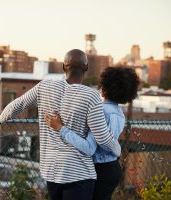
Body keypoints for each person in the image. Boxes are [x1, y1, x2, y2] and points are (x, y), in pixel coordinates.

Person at [0, 49, 121, 200]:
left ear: (63, 67)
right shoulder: (91, 96)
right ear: (86, 69)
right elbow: (102, 139)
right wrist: (118, 149)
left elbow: (19, 104)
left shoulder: (44, 87)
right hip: (78, 174)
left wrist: (2, 117)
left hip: (52, 172)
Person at [45, 67, 140, 200]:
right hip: (113, 169)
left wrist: (61, 128)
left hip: (98, 170)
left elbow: (89, 147)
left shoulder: (99, 111)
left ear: (104, 88)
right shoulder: (119, 114)